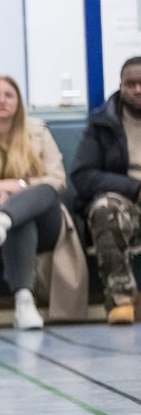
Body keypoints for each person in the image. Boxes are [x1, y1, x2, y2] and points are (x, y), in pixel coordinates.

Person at [0, 76, 88, 329]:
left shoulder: (39, 133)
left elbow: (57, 180)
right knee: (22, 221)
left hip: (47, 222)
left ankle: (4, 218)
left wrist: (19, 188)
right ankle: (24, 301)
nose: (2, 100)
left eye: (8, 95)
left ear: (19, 102)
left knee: (41, 191)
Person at [69, 57, 141, 324]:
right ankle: (120, 301)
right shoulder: (102, 125)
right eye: (131, 84)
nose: (138, 90)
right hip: (126, 204)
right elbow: (83, 175)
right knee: (104, 209)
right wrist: (134, 189)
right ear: (121, 86)